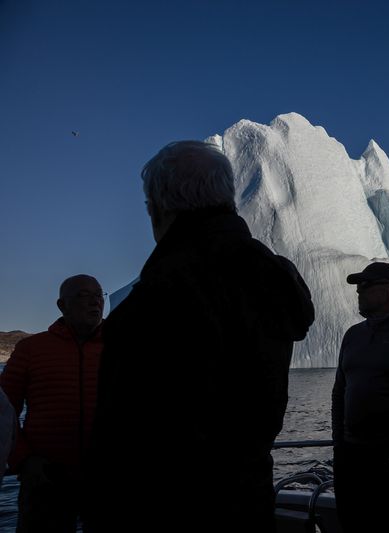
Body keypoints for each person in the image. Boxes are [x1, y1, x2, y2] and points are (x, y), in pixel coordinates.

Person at [85, 141, 314, 532]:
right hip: (249, 499)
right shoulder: (270, 281)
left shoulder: (158, 297)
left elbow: (123, 441)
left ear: (160, 207)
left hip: (169, 508)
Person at [0, 275, 104, 532]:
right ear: (62, 305)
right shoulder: (30, 349)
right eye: (83, 295)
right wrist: (24, 460)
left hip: (107, 476)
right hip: (45, 479)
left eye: (99, 295)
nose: (94, 302)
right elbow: (4, 412)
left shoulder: (123, 346)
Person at [331, 261, 389, 533]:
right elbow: (339, 391)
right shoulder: (352, 335)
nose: (360, 291)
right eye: (359, 286)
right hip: (351, 456)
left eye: (367, 285)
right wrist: (339, 444)